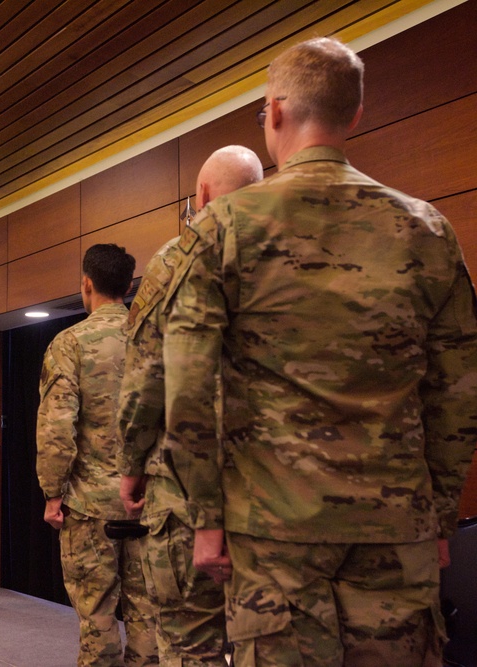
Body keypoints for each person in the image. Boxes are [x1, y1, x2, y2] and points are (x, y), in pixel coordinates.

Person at [160, 37, 477, 665]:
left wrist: (205, 517)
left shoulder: (223, 229)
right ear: (353, 115)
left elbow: (189, 388)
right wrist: (439, 514)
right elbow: (459, 389)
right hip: (396, 529)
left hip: (271, 530)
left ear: (274, 112)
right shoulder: (426, 227)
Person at [118, 145, 263, 664]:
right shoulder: (290, 250)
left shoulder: (174, 262)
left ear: (200, 195)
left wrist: (130, 465)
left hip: (183, 494)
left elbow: (147, 381)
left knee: (188, 644)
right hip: (280, 498)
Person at [36, 243, 158, 666]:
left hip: (91, 508)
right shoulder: (153, 340)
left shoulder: (70, 344)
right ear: (128, 286)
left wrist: (53, 492)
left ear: (86, 285)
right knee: (149, 615)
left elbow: (57, 426)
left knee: (98, 615)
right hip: (151, 503)